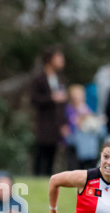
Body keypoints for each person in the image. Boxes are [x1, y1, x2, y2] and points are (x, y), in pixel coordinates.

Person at [30, 46, 68, 176]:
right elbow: (34, 99)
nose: (62, 60)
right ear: (50, 59)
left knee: (53, 152)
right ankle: (36, 177)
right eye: (59, 57)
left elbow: (63, 104)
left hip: (56, 124)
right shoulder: (39, 79)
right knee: (41, 151)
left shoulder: (60, 78)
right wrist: (51, 98)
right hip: (44, 123)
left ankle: (49, 180)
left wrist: (64, 123)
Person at [65, 84, 105, 169]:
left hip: (88, 144)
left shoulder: (86, 108)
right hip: (74, 142)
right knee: (74, 166)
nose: (77, 98)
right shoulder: (69, 109)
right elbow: (72, 123)